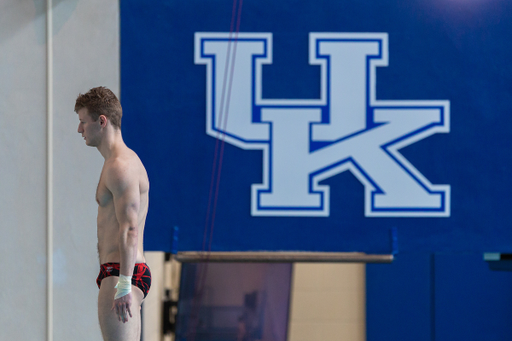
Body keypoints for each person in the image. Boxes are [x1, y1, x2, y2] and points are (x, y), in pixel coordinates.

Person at [75, 86, 151, 341]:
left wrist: (124, 284)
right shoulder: (117, 163)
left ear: (102, 121)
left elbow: (130, 229)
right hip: (121, 270)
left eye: (83, 121)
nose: (79, 129)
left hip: (120, 271)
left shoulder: (121, 166)